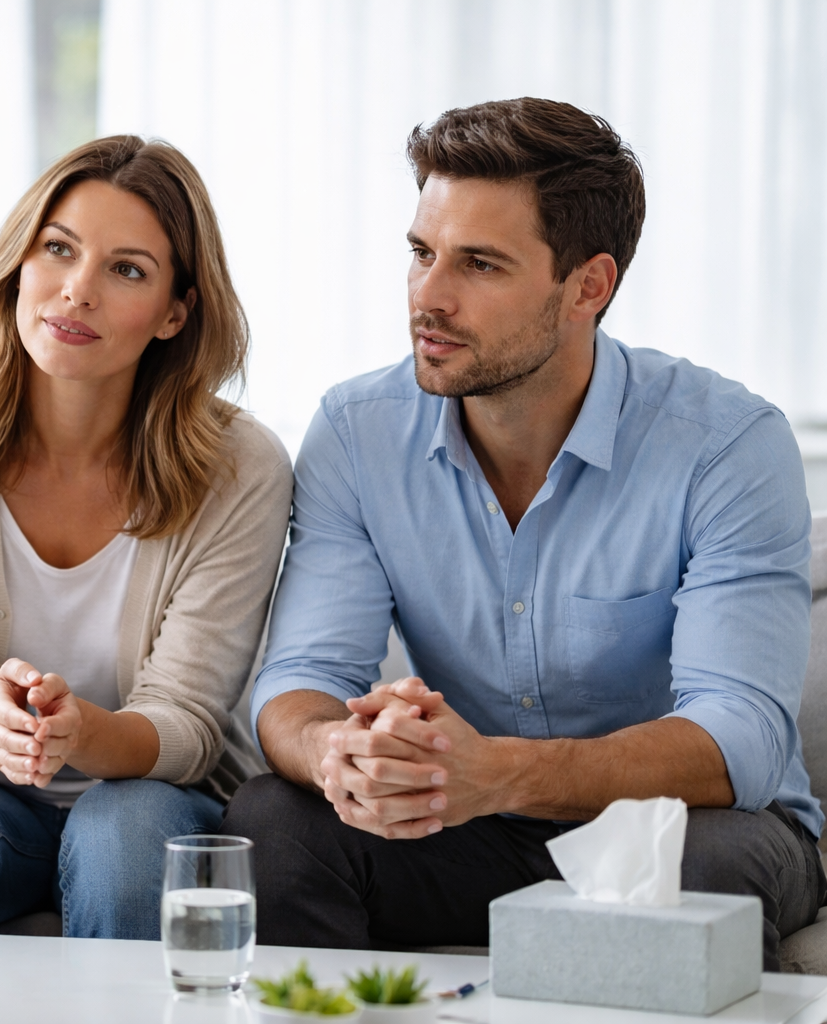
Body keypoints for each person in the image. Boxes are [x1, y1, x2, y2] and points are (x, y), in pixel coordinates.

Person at [222, 97, 827, 970]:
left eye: (480, 265)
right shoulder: (358, 431)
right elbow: (301, 679)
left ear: (588, 285)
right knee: (273, 822)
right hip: (455, 827)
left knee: (710, 859)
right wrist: (337, 751)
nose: (428, 296)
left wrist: (497, 772)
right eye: (422, 253)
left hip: (684, 829)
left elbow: (740, 739)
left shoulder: (726, 444)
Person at [0, 135, 292, 939]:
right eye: (58, 250)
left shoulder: (240, 467)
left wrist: (83, 732)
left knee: (120, 837)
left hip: (150, 799)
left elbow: (188, 732)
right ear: (18, 265)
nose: (75, 291)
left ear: (175, 313)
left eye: (126, 269)